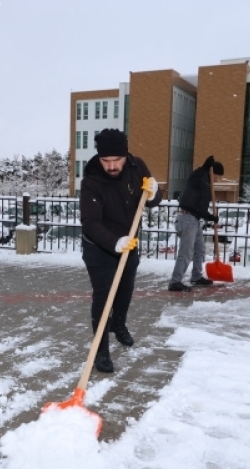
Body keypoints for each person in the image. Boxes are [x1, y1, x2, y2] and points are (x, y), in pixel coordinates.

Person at [80, 129, 162, 373]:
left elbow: (151, 199)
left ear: (126, 155)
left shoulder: (137, 167)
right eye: (106, 160)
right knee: (104, 298)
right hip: (99, 246)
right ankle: (101, 351)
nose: (112, 166)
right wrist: (114, 242)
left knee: (125, 291)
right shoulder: (91, 181)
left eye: (117, 160)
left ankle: (119, 325)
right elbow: (90, 222)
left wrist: (154, 192)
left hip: (130, 242)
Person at [168, 156, 224, 291]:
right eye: (217, 176)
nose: (218, 180)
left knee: (200, 250)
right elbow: (195, 175)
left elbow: (199, 206)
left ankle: (196, 276)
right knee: (186, 252)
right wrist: (205, 167)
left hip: (195, 220)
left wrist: (210, 217)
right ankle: (175, 282)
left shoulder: (205, 185)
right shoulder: (199, 178)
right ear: (212, 172)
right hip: (187, 218)